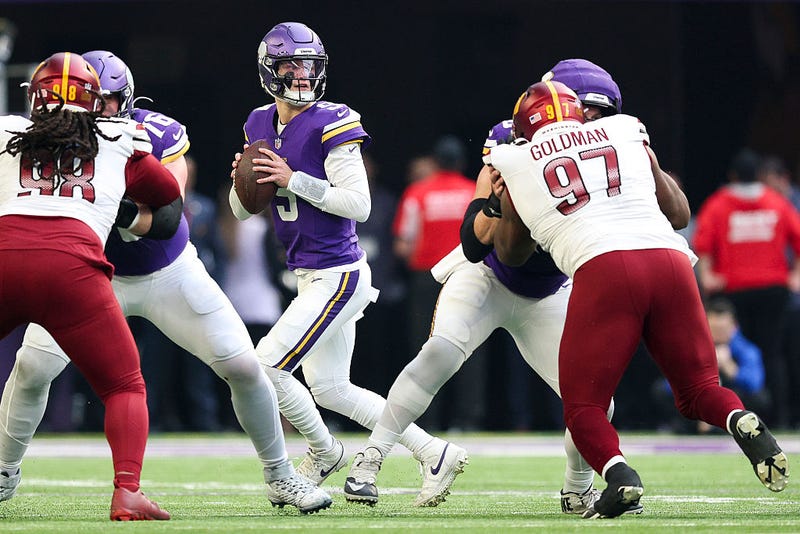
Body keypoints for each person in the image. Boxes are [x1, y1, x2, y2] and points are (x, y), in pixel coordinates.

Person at [0, 50, 331, 514]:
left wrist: (122, 211)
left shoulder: (139, 135)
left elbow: (171, 214)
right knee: (32, 368)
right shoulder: (38, 136)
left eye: (110, 102)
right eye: (94, 100)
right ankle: (5, 471)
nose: (100, 111)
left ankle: (280, 474)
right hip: (89, 275)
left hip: (166, 271)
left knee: (243, 367)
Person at [343, 59, 637, 515]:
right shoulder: (508, 142)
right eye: (588, 111)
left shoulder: (604, 152)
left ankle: (577, 485)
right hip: (487, 277)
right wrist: (501, 201)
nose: (592, 123)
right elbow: (473, 242)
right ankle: (370, 460)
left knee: (599, 399)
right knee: (438, 352)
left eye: (598, 115)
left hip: (547, 290)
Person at [488, 79, 789, 518]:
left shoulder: (512, 157)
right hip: (671, 261)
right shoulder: (625, 129)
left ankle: (620, 478)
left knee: (585, 406)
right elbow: (680, 214)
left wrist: (506, 204)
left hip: (603, 267)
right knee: (700, 390)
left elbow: (510, 253)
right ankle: (741, 419)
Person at [228, 21, 465, 507]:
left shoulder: (332, 121)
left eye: (308, 65)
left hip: (338, 272)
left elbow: (360, 205)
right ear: (268, 70)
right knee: (332, 388)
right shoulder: (257, 124)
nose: (301, 74)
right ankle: (433, 452)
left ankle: (324, 450)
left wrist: (294, 179)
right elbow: (240, 209)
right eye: (290, 65)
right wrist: (240, 181)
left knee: (265, 366)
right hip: (309, 274)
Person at [0, 52, 181, 520]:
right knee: (124, 385)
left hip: (5, 260)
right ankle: (127, 492)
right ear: (96, 100)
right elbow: (165, 194)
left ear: (34, 97)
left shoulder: (5, 132)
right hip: (74, 270)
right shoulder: (120, 138)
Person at [693, 148, 800, 428]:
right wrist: (795, 276)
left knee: (734, 353)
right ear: (760, 176)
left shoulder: (717, 204)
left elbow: (702, 246)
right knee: (772, 355)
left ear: (732, 176)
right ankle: (779, 420)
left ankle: (736, 418)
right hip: (773, 291)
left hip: (734, 292)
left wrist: (708, 276)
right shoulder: (777, 203)